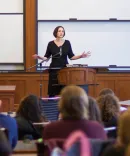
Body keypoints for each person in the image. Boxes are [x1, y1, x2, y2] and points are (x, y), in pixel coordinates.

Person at [32, 26, 91, 97]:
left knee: (65, 91)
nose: (61, 33)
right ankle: (52, 107)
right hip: (54, 70)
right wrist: (39, 57)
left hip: (65, 70)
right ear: (56, 32)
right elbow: (46, 58)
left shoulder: (67, 43)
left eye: (62, 31)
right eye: (59, 31)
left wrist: (81, 56)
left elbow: (71, 57)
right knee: (52, 91)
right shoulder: (50, 44)